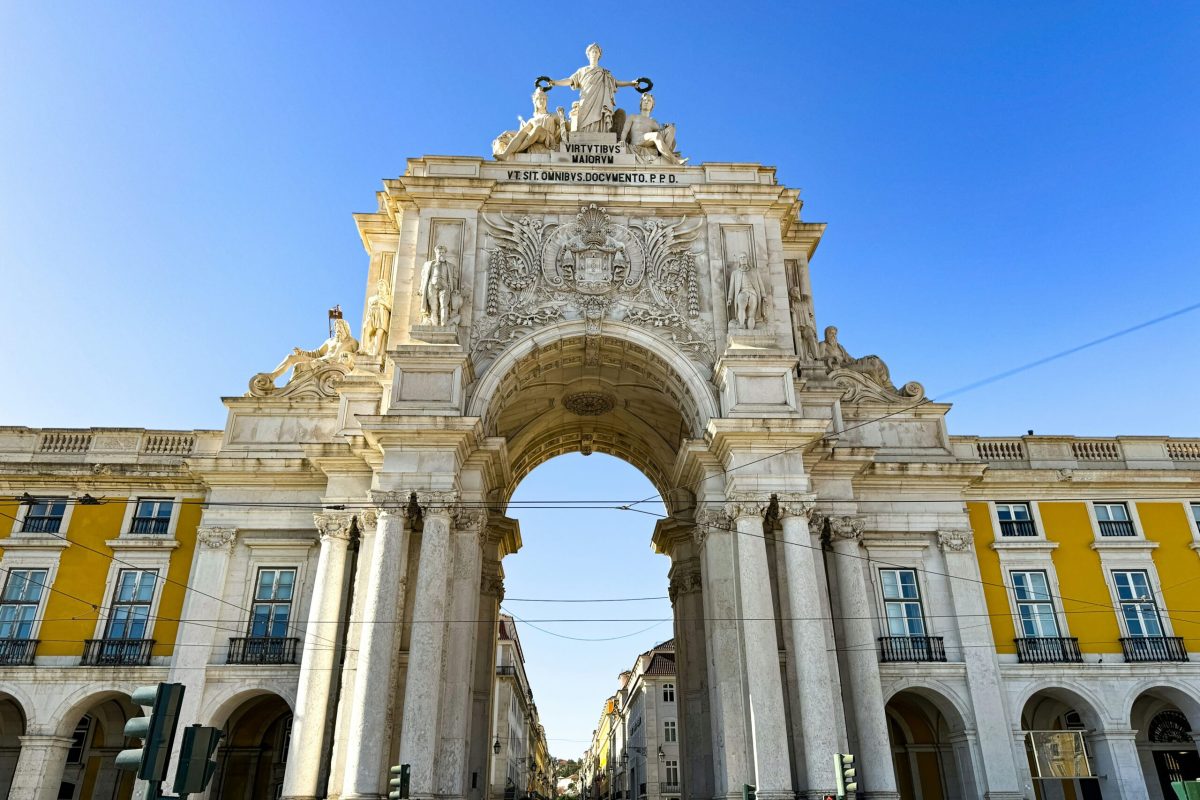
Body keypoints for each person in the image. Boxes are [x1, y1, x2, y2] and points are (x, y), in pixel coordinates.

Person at [549, 43, 639, 133]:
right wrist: (555, 82)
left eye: (596, 52)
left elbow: (616, 82)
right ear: (588, 54)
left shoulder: (605, 72)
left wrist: (631, 83)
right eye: (592, 51)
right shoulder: (582, 71)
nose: (594, 53)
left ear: (599, 55)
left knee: (600, 117)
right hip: (586, 99)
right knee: (582, 121)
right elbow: (570, 80)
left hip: (601, 100)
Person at [266, 318, 359, 382]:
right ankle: (271, 377)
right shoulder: (330, 341)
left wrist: (348, 355)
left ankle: (290, 389)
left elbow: (358, 357)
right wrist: (302, 352)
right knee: (290, 357)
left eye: (340, 327)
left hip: (332, 363)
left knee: (298, 366)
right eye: (336, 327)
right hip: (321, 360)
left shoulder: (352, 342)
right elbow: (317, 353)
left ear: (346, 329)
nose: (338, 329)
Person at [493, 88, 567, 160]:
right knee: (522, 133)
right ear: (535, 102)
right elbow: (522, 133)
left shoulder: (553, 116)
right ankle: (505, 154)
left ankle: (520, 149)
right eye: (539, 99)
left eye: (544, 99)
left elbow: (568, 127)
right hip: (535, 136)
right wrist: (508, 132)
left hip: (548, 138)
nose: (542, 101)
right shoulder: (532, 120)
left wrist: (562, 117)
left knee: (538, 128)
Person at [620, 93, 685, 164]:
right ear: (641, 103)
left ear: (652, 105)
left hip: (648, 141)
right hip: (636, 141)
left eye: (649, 101)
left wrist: (667, 126)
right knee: (656, 135)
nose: (646, 102)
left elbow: (663, 133)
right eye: (644, 100)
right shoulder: (633, 117)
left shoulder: (654, 122)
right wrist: (622, 140)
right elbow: (625, 130)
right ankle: (674, 160)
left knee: (671, 128)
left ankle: (664, 155)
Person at [418, 244, 459, 326]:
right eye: (439, 252)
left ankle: (444, 323)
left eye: (443, 252)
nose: (441, 254)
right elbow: (424, 277)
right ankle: (434, 324)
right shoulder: (429, 264)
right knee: (433, 306)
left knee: (444, 305)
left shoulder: (450, 266)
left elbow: (454, 279)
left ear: (445, 253)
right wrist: (421, 288)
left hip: (445, 286)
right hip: (432, 285)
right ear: (436, 253)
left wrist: (455, 289)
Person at [726, 253, 766, 330]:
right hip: (742, 293)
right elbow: (732, 287)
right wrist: (730, 298)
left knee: (752, 314)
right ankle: (741, 325)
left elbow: (760, 284)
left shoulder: (755, 271)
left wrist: (764, 296)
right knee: (741, 308)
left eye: (744, 257)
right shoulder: (735, 273)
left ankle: (751, 330)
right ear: (739, 260)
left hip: (753, 293)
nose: (743, 259)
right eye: (741, 257)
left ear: (747, 259)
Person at [362, 278, 392, 356]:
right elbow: (368, 310)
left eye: (382, 285)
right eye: (379, 285)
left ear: (386, 287)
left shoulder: (389, 297)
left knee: (379, 335)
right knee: (366, 329)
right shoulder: (372, 298)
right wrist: (367, 318)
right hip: (372, 315)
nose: (380, 286)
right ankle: (365, 349)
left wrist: (383, 303)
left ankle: (376, 354)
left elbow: (391, 308)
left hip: (382, 316)